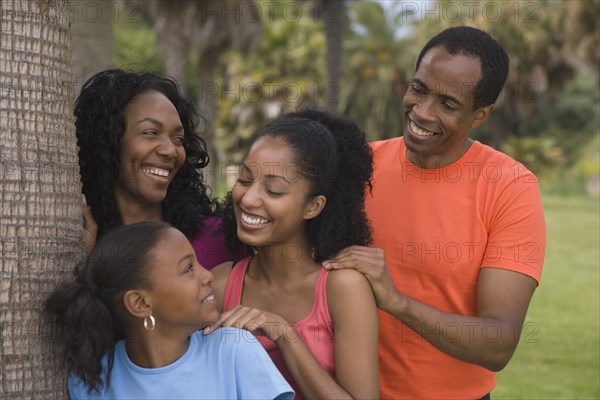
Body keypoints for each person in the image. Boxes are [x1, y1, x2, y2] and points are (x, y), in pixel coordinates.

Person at [322, 26, 546, 399]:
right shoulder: (360, 164)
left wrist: (396, 302)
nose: (422, 112)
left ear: (480, 115)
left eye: (448, 104)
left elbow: (498, 342)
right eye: (419, 89)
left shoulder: (510, 187)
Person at [205, 110, 380, 399]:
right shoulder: (221, 283)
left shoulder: (343, 288)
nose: (248, 199)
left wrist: (284, 334)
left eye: (273, 191)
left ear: (313, 207)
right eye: (245, 180)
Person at [45, 221, 294, 399]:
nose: (208, 275)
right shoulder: (92, 383)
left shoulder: (234, 351)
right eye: (188, 268)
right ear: (140, 304)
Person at [76, 69, 244, 267]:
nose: (170, 151)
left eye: (178, 139)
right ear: (108, 140)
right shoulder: (92, 250)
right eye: (151, 132)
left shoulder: (219, 241)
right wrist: (87, 261)